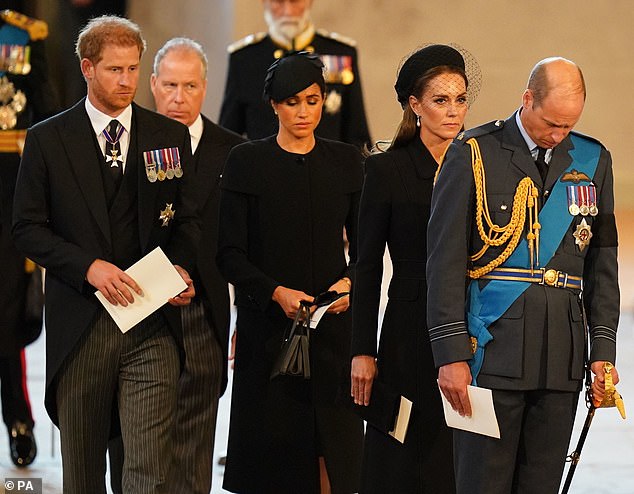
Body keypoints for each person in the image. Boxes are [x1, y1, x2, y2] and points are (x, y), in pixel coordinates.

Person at [11, 15, 199, 492]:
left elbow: (188, 223)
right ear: (87, 68)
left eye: (134, 69)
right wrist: (88, 268)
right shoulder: (47, 140)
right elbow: (27, 229)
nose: (127, 81)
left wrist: (182, 267)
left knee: (148, 473)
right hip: (81, 328)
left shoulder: (169, 137)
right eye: (115, 70)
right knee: (83, 474)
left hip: (152, 327)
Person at [426, 57, 620, 493]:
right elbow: (443, 263)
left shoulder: (593, 159)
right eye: (551, 123)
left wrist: (601, 351)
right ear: (526, 99)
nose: (558, 136)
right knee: (483, 484)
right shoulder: (474, 153)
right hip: (490, 353)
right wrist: (450, 354)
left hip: (562, 358)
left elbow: (602, 266)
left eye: (568, 126)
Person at [217, 51, 364, 494]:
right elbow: (228, 253)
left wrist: (351, 282)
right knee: (273, 449)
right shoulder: (246, 161)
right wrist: (274, 292)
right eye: (293, 101)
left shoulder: (346, 162)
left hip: (333, 328)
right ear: (274, 106)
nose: (304, 111)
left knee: (333, 446)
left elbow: (367, 249)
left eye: (313, 100)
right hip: (269, 328)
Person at [108, 36, 245, 494]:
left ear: (206, 88)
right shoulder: (123, 141)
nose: (178, 98)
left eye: (189, 86)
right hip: (134, 313)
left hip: (200, 313)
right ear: (152, 85)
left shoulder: (234, 151)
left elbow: (244, 240)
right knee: (132, 444)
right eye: (169, 85)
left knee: (193, 446)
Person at [350, 44, 480, 493]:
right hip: (407, 330)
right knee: (401, 455)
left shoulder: (481, 167)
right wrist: (362, 350)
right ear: (415, 104)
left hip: (470, 325)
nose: (453, 111)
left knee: (459, 452)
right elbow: (365, 266)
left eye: (460, 99)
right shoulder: (387, 170)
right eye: (441, 100)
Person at [0, 7, 57, 468]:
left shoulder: (23, 34)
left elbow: (48, 115)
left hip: (7, 188)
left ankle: (18, 419)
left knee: (5, 309)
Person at [219, 0, 371, 148]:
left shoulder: (340, 52)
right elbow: (228, 136)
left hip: (328, 169)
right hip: (263, 170)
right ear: (263, 2)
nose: (288, 11)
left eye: (295, 1)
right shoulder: (245, 58)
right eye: (278, 2)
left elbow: (357, 136)